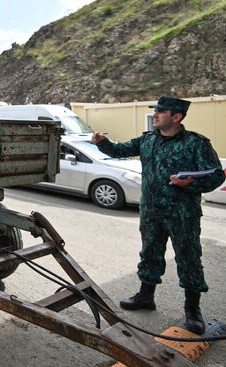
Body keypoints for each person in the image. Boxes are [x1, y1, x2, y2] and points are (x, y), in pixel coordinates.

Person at [92, 96, 225, 335]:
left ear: (177, 117)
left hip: (182, 214)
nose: (155, 114)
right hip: (152, 212)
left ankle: (192, 311)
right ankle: (145, 296)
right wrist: (102, 142)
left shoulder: (196, 144)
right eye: (156, 111)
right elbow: (118, 150)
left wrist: (190, 183)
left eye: (161, 112)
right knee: (150, 253)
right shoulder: (148, 140)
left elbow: (216, 176)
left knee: (188, 258)